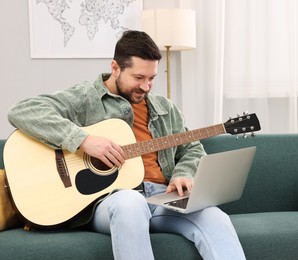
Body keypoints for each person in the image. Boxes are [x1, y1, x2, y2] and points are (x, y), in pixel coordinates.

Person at [7, 30, 245, 260]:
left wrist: (183, 174)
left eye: (151, 78)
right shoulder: (86, 98)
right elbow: (24, 111)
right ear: (115, 68)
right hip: (111, 201)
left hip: (163, 198)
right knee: (130, 203)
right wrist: (83, 141)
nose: (146, 87)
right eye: (138, 78)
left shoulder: (165, 108)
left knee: (214, 217)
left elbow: (191, 148)